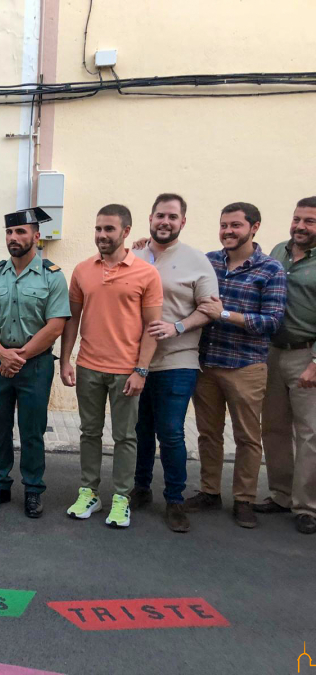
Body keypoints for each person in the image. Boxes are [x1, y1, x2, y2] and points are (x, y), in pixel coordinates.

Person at [60, 204, 163, 528]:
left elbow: (152, 327)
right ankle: (89, 492)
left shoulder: (146, 273)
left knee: (125, 437)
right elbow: (72, 319)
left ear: (126, 232)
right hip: (88, 367)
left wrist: (141, 370)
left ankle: (121, 497)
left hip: (126, 371)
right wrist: (66, 360)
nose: (102, 235)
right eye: (98, 228)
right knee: (89, 432)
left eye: (109, 229)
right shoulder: (82, 270)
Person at [186, 202, 286, 529]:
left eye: (235, 225)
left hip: (246, 366)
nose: (228, 231)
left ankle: (244, 499)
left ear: (254, 228)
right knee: (208, 433)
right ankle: (209, 491)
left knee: (247, 437)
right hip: (207, 362)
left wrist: (225, 314)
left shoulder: (270, 269)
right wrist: (145, 248)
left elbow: (272, 321)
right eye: (223, 225)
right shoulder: (208, 261)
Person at [0, 208, 70, 518]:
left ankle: (33, 489)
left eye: (20, 232)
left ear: (36, 237)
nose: (13, 237)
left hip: (35, 365)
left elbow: (56, 325)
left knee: (32, 431)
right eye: (9, 232)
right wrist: (2, 354)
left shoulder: (53, 276)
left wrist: (18, 357)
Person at [129, 194, 219, 533]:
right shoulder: (134, 255)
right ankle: (140, 489)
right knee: (140, 430)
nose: (165, 222)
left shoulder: (197, 260)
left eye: (172, 217)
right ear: (150, 218)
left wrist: (177, 326)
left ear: (183, 222)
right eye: (160, 216)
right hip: (136, 361)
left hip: (177, 361)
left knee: (170, 432)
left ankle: (175, 500)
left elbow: (211, 307)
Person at [257, 196, 316, 535]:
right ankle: (281, 494)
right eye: (297, 219)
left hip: (306, 354)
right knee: (274, 427)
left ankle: (307, 506)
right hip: (272, 351)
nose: (300, 226)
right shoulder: (279, 250)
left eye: (309, 221)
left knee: (309, 434)